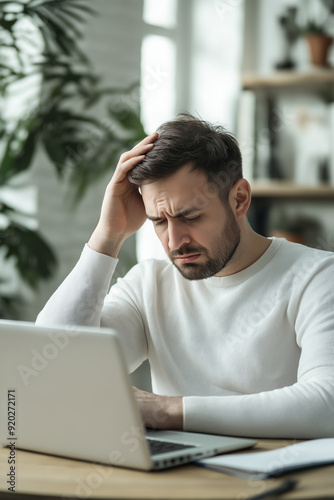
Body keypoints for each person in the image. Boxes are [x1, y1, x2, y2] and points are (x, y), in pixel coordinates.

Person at [37, 113, 334, 439]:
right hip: (178, 480)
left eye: (189, 216)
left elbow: (325, 406)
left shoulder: (318, 277)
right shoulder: (150, 284)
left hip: (278, 484)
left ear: (239, 199)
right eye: (159, 221)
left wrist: (167, 410)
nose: (174, 242)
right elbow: (57, 361)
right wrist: (108, 236)